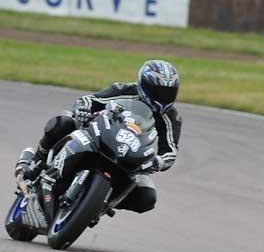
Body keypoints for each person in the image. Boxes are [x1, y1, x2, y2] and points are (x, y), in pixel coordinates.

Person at [15, 60, 182, 215]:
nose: (163, 97)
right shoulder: (124, 90)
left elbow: (170, 152)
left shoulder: (171, 117)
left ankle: (101, 203)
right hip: (101, 134)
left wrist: (158, 162)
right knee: (63, 123)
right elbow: (90, 100)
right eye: (158, 91)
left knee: (147, 198)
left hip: (131, 156)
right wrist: (83, 109)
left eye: (168, 92)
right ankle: (36, 161)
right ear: (143, 85)